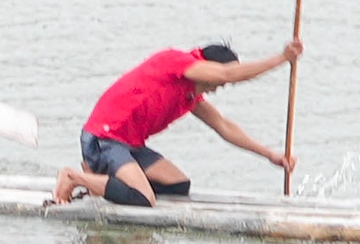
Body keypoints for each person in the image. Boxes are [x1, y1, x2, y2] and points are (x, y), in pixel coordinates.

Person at [52, 40, 304, 207]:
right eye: (220, 80)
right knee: (144, 198)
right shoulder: (176, 62)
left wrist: (271, 155)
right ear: (208, 67)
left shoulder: (189, 95)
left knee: (178, 185)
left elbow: (223, 126)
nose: (222, 86)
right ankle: (74, 177)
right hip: (103, 139)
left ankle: (104, 181)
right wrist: (282, 58)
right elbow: (227, 74)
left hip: (128, 144)